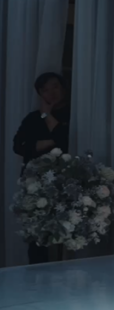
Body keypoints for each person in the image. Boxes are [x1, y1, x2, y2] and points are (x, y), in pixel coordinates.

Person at [12, 72, 72, 264]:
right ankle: (36, 275)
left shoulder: (73, 113)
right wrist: (49, 142)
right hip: (35, 183)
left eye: (55, 86)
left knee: (67, 231)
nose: (51, 93)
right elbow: (18, 146)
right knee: (37, 237)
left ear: (63, 88)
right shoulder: (32, 118)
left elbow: (66, 139)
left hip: (65, 182)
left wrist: (47, 116)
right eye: (45, 90)